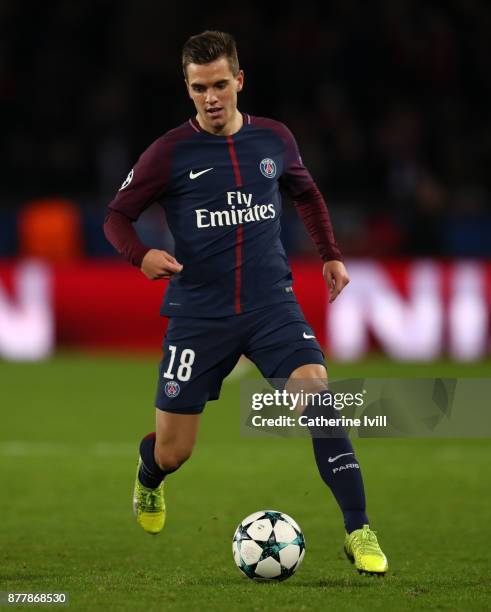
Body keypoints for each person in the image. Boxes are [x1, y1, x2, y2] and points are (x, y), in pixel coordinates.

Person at [104, 30, 388, 575]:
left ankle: (358, 529)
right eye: (198, 88)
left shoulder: (274, 140)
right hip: (198, 316)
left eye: (219, 85)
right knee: (174, 452)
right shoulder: (169, 153)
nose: (210, 98)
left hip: (270, 306)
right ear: (187, 88)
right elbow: (116, 216)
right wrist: (140, 255)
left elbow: (305, 192)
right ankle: (148, 474)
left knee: (319, 396)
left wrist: (330, 254)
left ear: (239, 80)